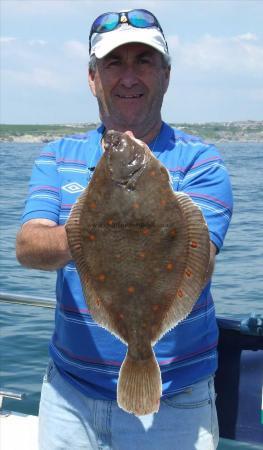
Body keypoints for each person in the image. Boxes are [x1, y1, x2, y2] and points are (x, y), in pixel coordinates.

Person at [16, 8, 233, 450]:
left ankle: (141, 354)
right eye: (114, 63)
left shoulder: (200, 161)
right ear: (93, 77)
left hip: (176, 400)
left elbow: (201, 263)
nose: (129, 76)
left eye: (144, 61)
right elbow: (27, 246)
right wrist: (88, 231)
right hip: (69, 395)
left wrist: (131, 225)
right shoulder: (58, 155)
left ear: (166, 75)